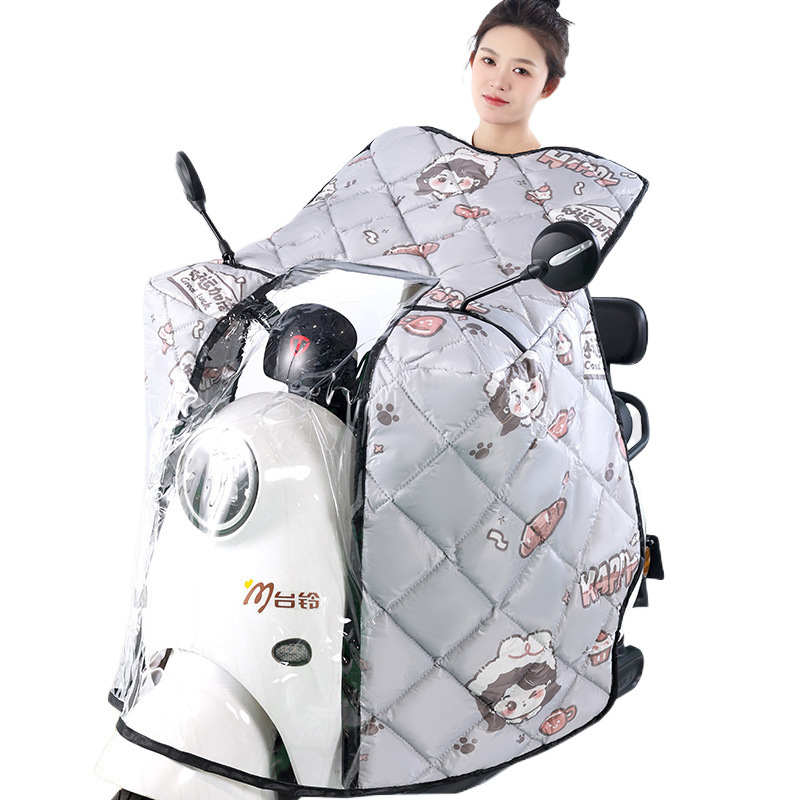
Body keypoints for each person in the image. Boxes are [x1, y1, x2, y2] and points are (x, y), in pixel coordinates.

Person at [469, 0, 572, 155]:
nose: (498, 83)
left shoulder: (559, 170)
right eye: (489, 61)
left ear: (549, 86)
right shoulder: (432, 151)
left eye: (521, 71)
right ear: (473, 61)